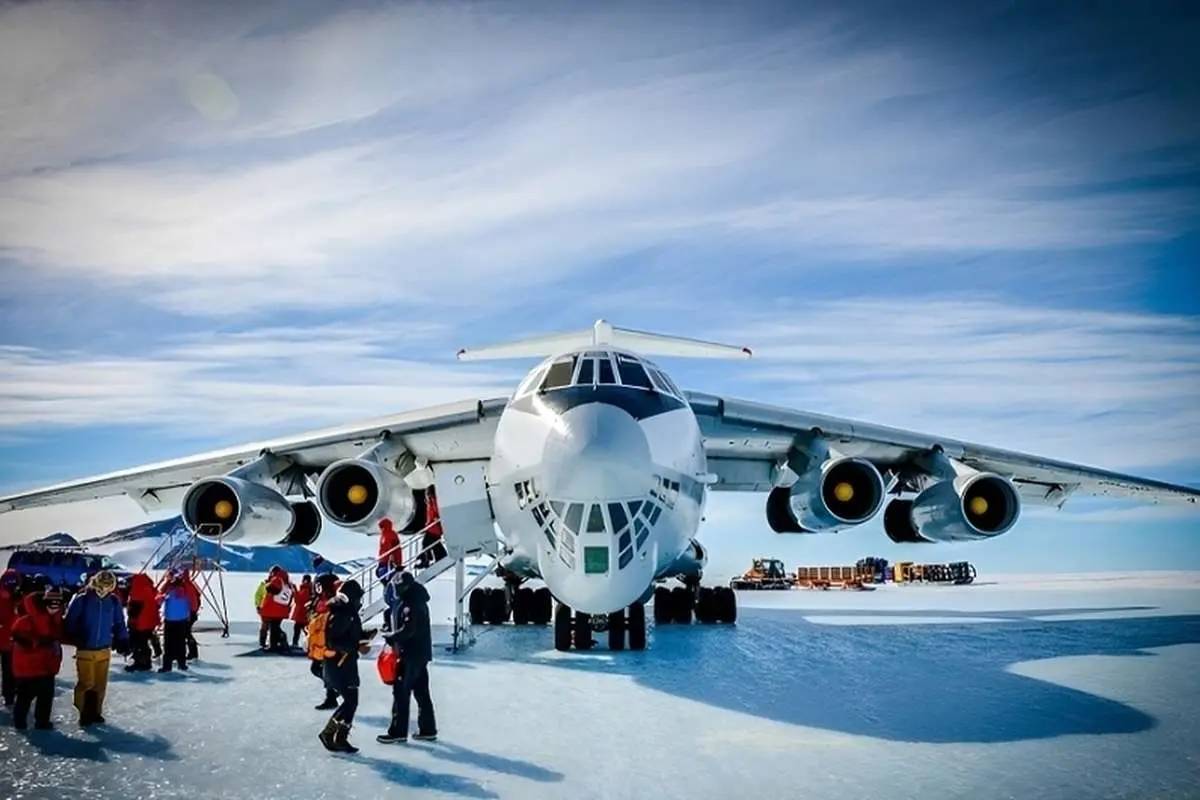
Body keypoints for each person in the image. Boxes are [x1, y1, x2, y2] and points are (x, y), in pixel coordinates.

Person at [63, 570, 129, 726]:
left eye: (108, 586)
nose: (104, 590)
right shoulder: (82, 599)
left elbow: (119, 622)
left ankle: (96, 712)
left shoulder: (113, 601)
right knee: (87, 683)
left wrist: (123, 639)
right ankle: (83, 711)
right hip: (86, 647)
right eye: (102, 586)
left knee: (100, 685)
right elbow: (70, 621)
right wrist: (75, 636)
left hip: (104, 649)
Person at [377, 571, 437, 744]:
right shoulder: (413, 601)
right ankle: (428, 729)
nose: (395, 590)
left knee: (401, 693)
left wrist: (392, 636)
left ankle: (398, 732)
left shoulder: (412, 604)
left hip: (410, 655)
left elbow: (408, 630)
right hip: (419, 655)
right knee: (421, 693)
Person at [318, 579, 368, 753]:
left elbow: (349, 635)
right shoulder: (341, 614)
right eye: (358, 597)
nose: (360, 601)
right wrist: (356, 647)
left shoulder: (348, 612)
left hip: (346, 664)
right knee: (350, 702)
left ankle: (340, 738)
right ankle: (329, 733)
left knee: (352, 702)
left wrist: (364, 636)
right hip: (338, 666)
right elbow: (333, 641)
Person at [10, 585, 64, 730]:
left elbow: (60, 636)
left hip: (47, 666)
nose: (54, 609)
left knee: (46, 697)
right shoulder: (26, 620)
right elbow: (18, 636)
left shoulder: (56, 620)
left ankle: (42, 722)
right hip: (29, 668)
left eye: (57, 606)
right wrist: (37, 642)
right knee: (25, 697)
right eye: (51, 605)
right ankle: (19, 722)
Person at [308, 573, 340, 710]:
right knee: (318, 668)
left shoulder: (332, 601)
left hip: (327, 642)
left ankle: (332, 694)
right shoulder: (320, 599)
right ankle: (333, 691)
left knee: (323, 669)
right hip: (321, 642)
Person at [124, 573, 160, 672]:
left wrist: (131, 623)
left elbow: (134, 611)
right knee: (144, 643)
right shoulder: (150, 589)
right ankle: (145, 662)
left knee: (139, 643)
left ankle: (141, 663)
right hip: (150, 621)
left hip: (140, 622)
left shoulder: (137, 592)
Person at [157, 571, 192, 672]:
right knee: (180, 642)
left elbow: (159, 600)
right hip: (182, 620)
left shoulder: (169, 590)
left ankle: (167, 666)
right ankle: (182, 664)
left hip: (170, 620)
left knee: (168, 644)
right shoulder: (186, 590)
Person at [0, 568, 21, 708]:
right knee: (9, 671)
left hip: (10, 641)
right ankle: (9, 696)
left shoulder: (16, 599)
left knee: (10, 671)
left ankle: (9, 696)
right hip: (8, 641)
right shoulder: (16, 598)